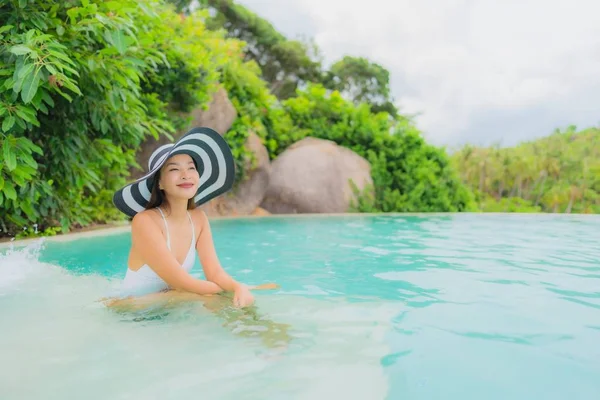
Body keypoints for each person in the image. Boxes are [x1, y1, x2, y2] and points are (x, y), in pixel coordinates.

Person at [111, 126, 270, 308]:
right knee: (213, 298)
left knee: (235, 302)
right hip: (132, 309)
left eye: (191, 168)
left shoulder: (199, 219)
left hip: (167, 306)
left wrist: (238, 287)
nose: (186, 175)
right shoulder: (145, 221)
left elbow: (215, 273)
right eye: (174, 170)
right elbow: (182, 283)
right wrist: (228, 290)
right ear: (160, 182)